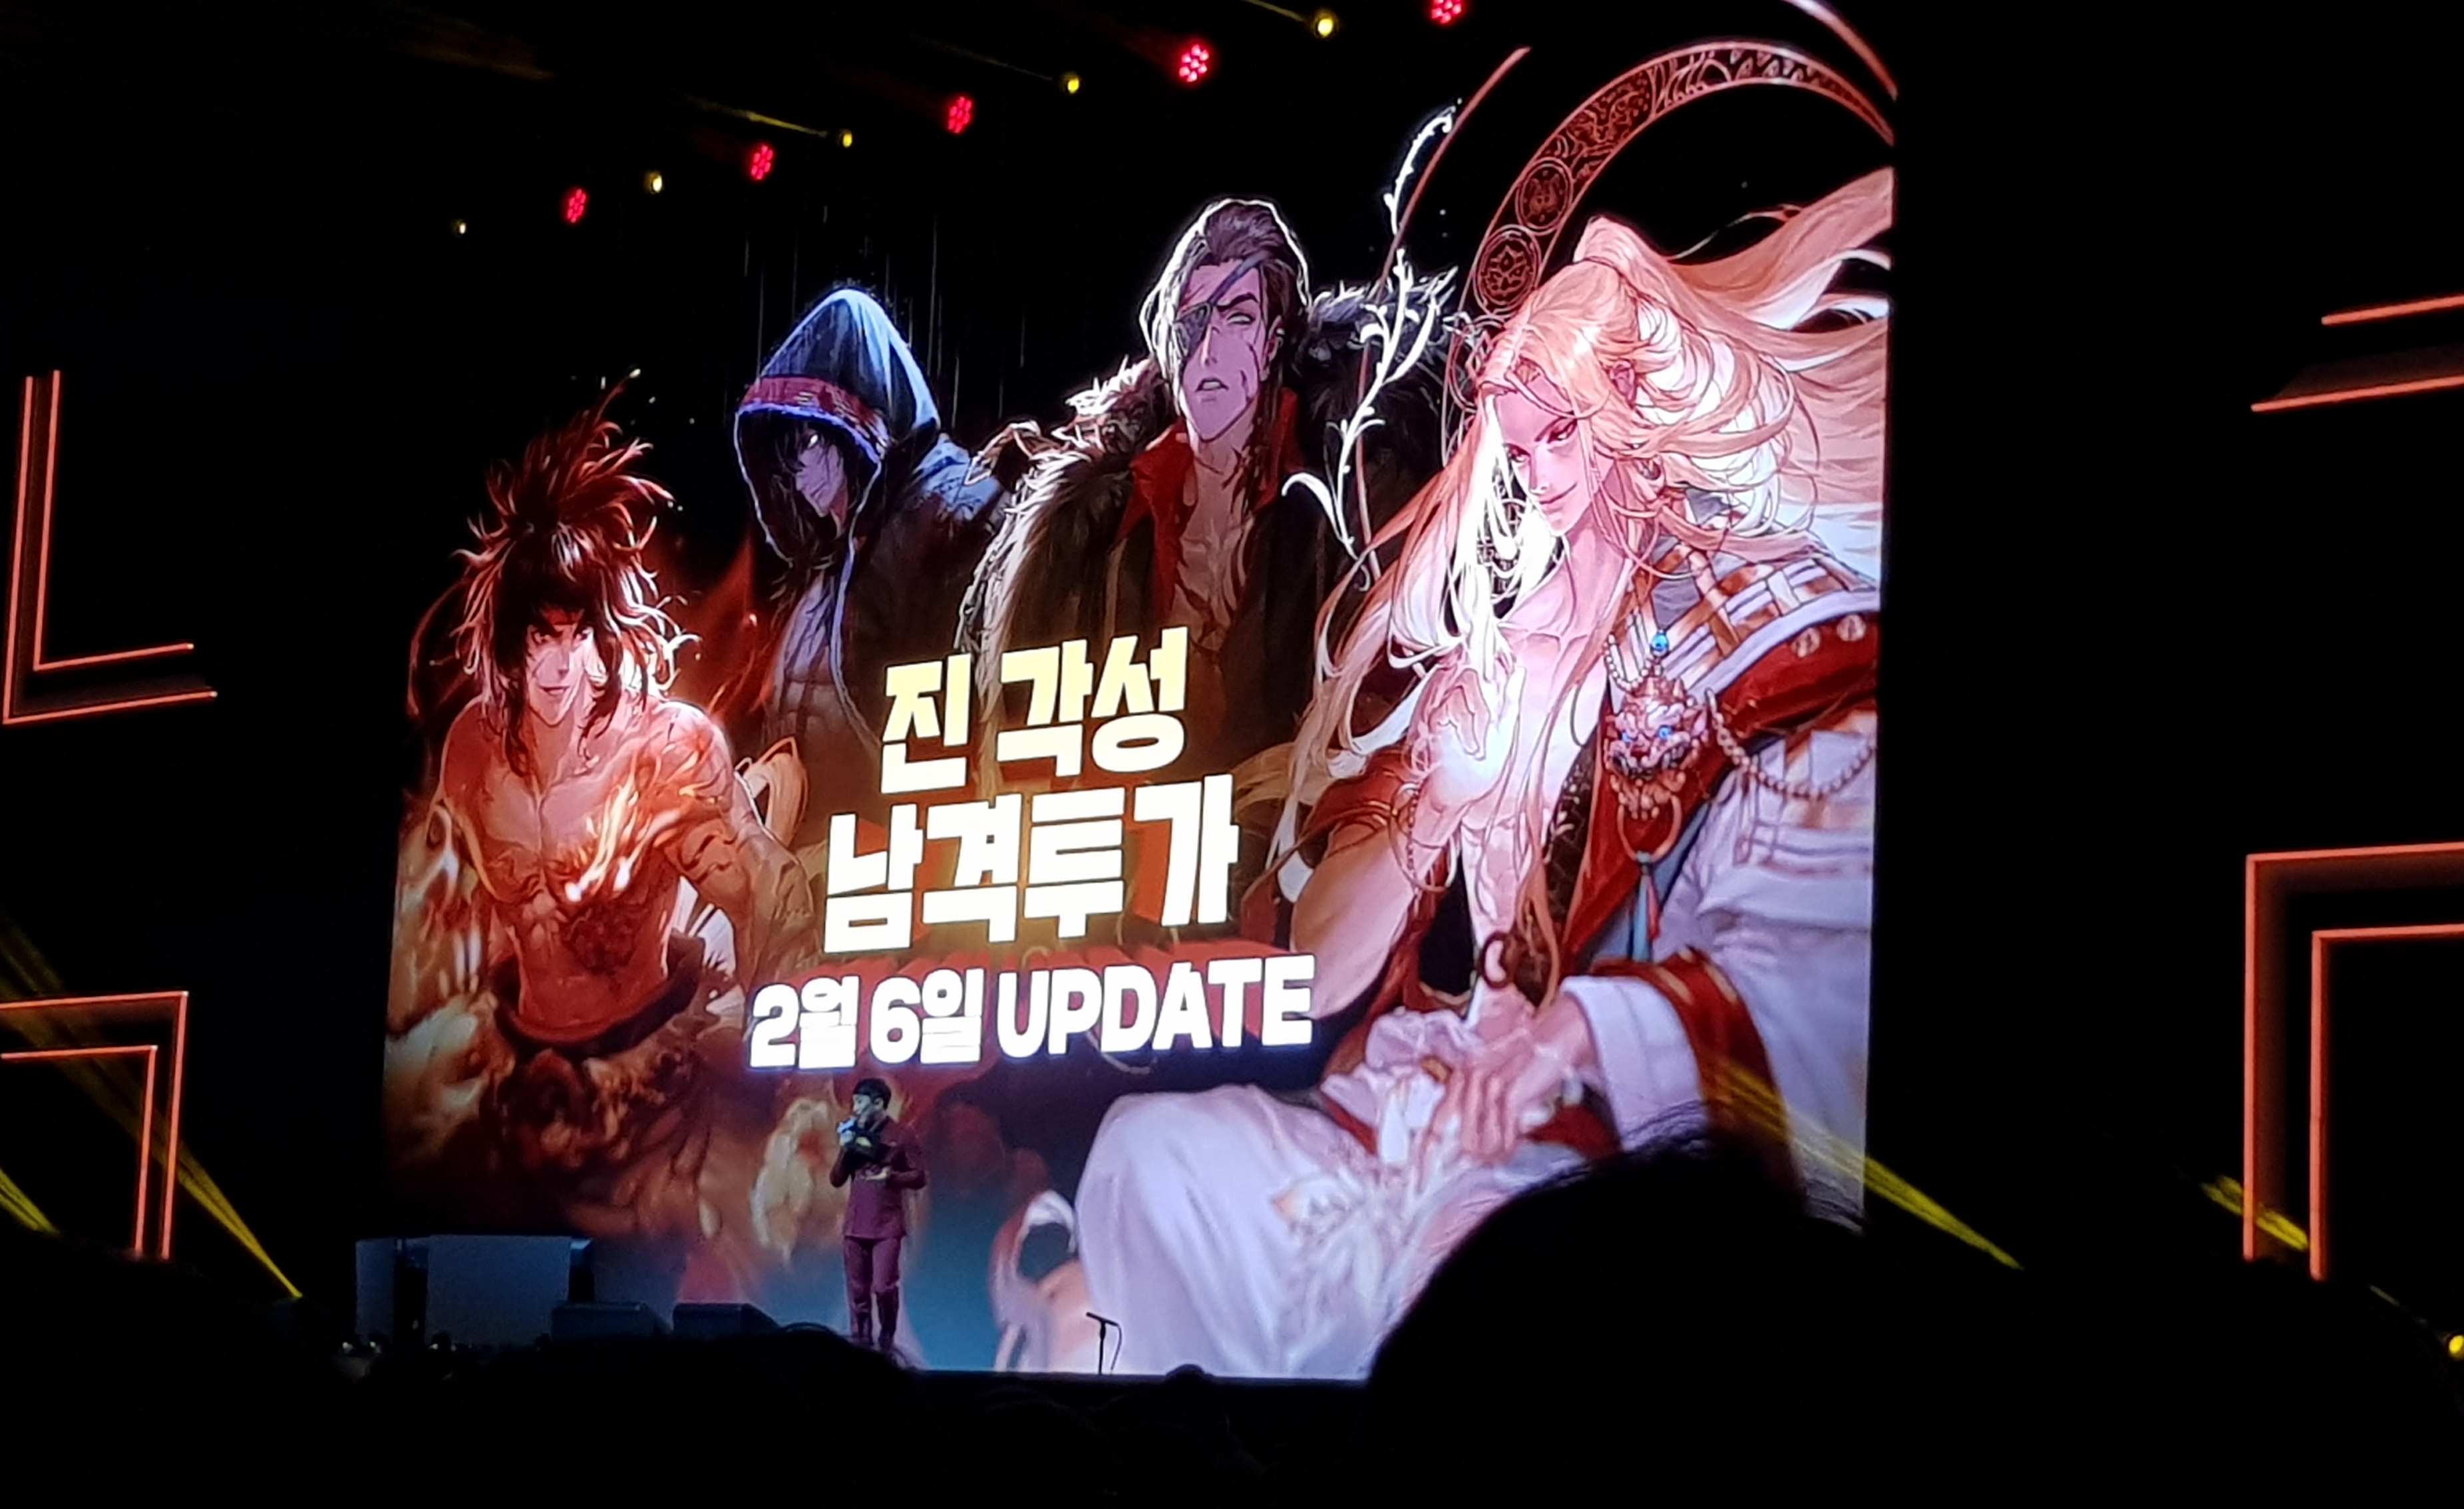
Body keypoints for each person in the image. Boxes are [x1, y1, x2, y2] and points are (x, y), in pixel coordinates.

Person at [1064, 168, 1893, 1377]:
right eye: (1522, 440)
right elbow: (1322, 971)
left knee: (1477, 1272)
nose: (1541, 470)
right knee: (1150, 1159)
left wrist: (1584, 1032)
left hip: (1619, 1164)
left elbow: (1812, 965)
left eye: (1564, 433)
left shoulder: (1753, 643)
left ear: (1638, 410)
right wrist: (1430, 807)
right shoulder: (1493, 660)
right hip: (1441, 1113)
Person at [386, 390, 817, 1238]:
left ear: (605, 635)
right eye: (537, 639)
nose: (556, 666)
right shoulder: (472, 748)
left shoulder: (664, 748)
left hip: (654, 1084)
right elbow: (441, 912)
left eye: (574, 635)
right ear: (508, 644)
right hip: (515, 1082)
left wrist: (783, 1058)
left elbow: (765, 891)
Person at [966, 197, 1440, 852]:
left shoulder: (1352, 490)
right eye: (1192, 321)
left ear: (1272, 342)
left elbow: (1402, 691)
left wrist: (1308, 771)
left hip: (1298, 848)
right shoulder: (1103, 524)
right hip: (1136, 850)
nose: (1209, 351)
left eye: (1237, 318)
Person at [733, 287, 1004, 842]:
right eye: (786, 455)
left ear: (859, 425)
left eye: (810, 441)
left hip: (910, 854)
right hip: (812, 856)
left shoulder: (949, 515)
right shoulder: (826, 566)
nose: (800, 475)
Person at [834, 1077, 928, 1357]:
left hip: (887, 1225)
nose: (855, 1108)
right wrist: (846, 1148)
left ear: (878, 1104)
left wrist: (892, 1177)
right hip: (855, 1225)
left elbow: (919, 1177)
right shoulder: (853, 1132)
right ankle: (860, 1345)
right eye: (854, 1102)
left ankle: (887, 1339)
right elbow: (837, 1179)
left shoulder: (902, 1134)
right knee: (857, 1293)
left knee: (883, 1287)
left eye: (860, 1102)